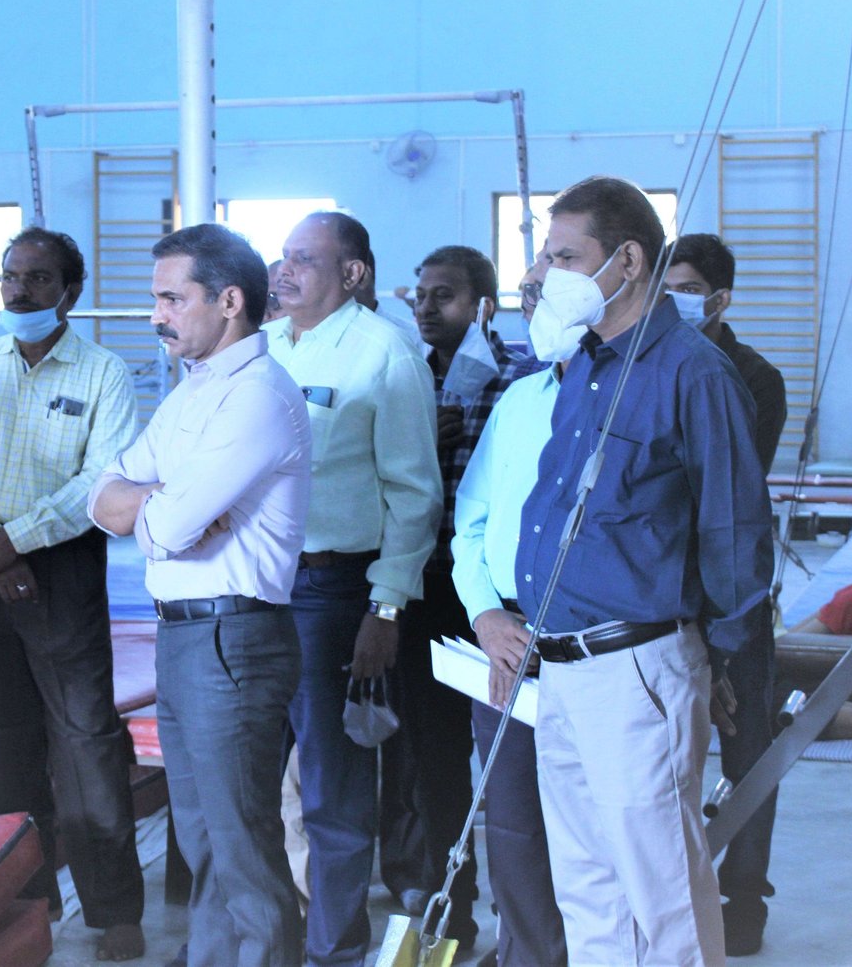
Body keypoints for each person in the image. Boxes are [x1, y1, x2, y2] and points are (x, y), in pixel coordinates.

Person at [515, 176, 773, 967]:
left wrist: (720, 657)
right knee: (589, 889)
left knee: (662, 893)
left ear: (627, 261)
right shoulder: (586, 365)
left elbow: (735, 529)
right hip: (560, 662)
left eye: (565, 257)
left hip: (636, 664)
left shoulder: (693, 372)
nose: (543, 274)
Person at [89, 223, 310, 967]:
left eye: (171, 299)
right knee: (203, 843)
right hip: (184, 637)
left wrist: (154, 508)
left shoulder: (258, 397)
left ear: (230, 301)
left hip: (233, 639)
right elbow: (102, 496)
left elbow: (168, 527)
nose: (157, 316)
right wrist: (158, 502)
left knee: (243, 846)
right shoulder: (192, 393)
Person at [0, 226, 146, 962]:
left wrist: (17, 540)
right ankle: (25, 897)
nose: (20, 291)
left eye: (38, 278)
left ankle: (113, 907)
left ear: (70, 292)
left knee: (85, 739)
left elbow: (100, 480)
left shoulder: (104, 374)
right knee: (4, 739)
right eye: (11, 277)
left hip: (62, 569)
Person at [266, 211, 442, 965]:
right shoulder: (262, 348)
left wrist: (386, 606)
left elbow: (415, 495)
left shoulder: (384, 355)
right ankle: (269, 939)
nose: (285, 270)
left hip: (332, 594)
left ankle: (334, 951)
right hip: (254, 590)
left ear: (353, 272)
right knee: (253, 782)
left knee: (332, 790)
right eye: (283, 257)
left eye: (304, 258)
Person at [380, 244, 540, 947]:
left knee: (511, 763)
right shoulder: (406, 376)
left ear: (484, 306)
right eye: (420, 294)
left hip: (493, 597)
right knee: (433, 757)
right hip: (424, 585)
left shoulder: (517, 379)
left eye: (443, 295)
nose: (425, 307)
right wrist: (417, 434)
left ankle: (528, 921)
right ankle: (452, 906)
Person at [665, 232, 788, 956]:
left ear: (719, 299)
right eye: (664, 289)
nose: (671, 301)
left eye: (685, 290)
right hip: (661, 587)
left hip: (728, 585)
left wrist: (725, 626)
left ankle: (745, 894)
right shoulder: (648, 361)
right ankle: (675, 890)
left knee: (747, 742)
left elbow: (728, 491)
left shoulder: (754, 377)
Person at [450, 254, 568, 967]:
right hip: (507, 635)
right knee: (515, 818)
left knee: (598, 823)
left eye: (547, 292)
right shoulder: (522, 397)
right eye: (527, 295)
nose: (533, 307)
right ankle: (528, 953)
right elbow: (470, 520)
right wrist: (487, 614)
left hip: (596, 636)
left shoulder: (641, 392)